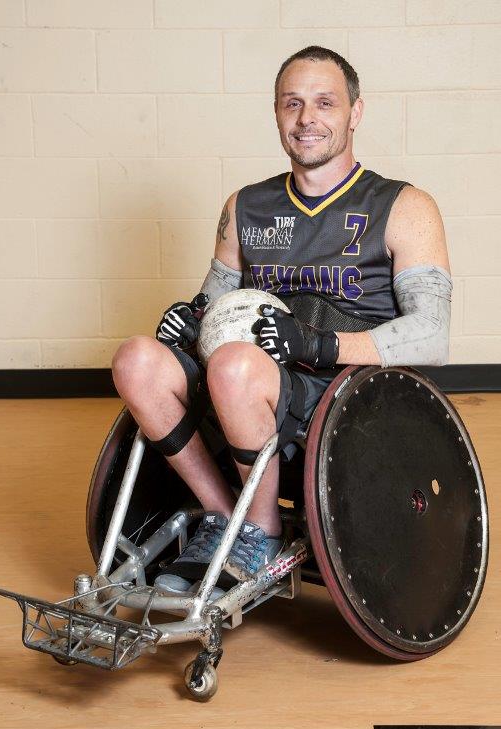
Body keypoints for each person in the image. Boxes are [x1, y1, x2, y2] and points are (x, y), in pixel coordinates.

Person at [111, 46, 452, 597]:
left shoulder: (405, 206)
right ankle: (228, 516)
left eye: (325, 103)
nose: (307, 118)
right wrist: (188, 318)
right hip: (247, 371)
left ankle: (262, 528)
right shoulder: (244, 207)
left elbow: (432, 333)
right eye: (292, 104)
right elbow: (212, 306)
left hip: (340, 386)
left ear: (355, 113)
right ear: (276, 113)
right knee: (136, 359)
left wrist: (319, 343)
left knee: (235, 367)